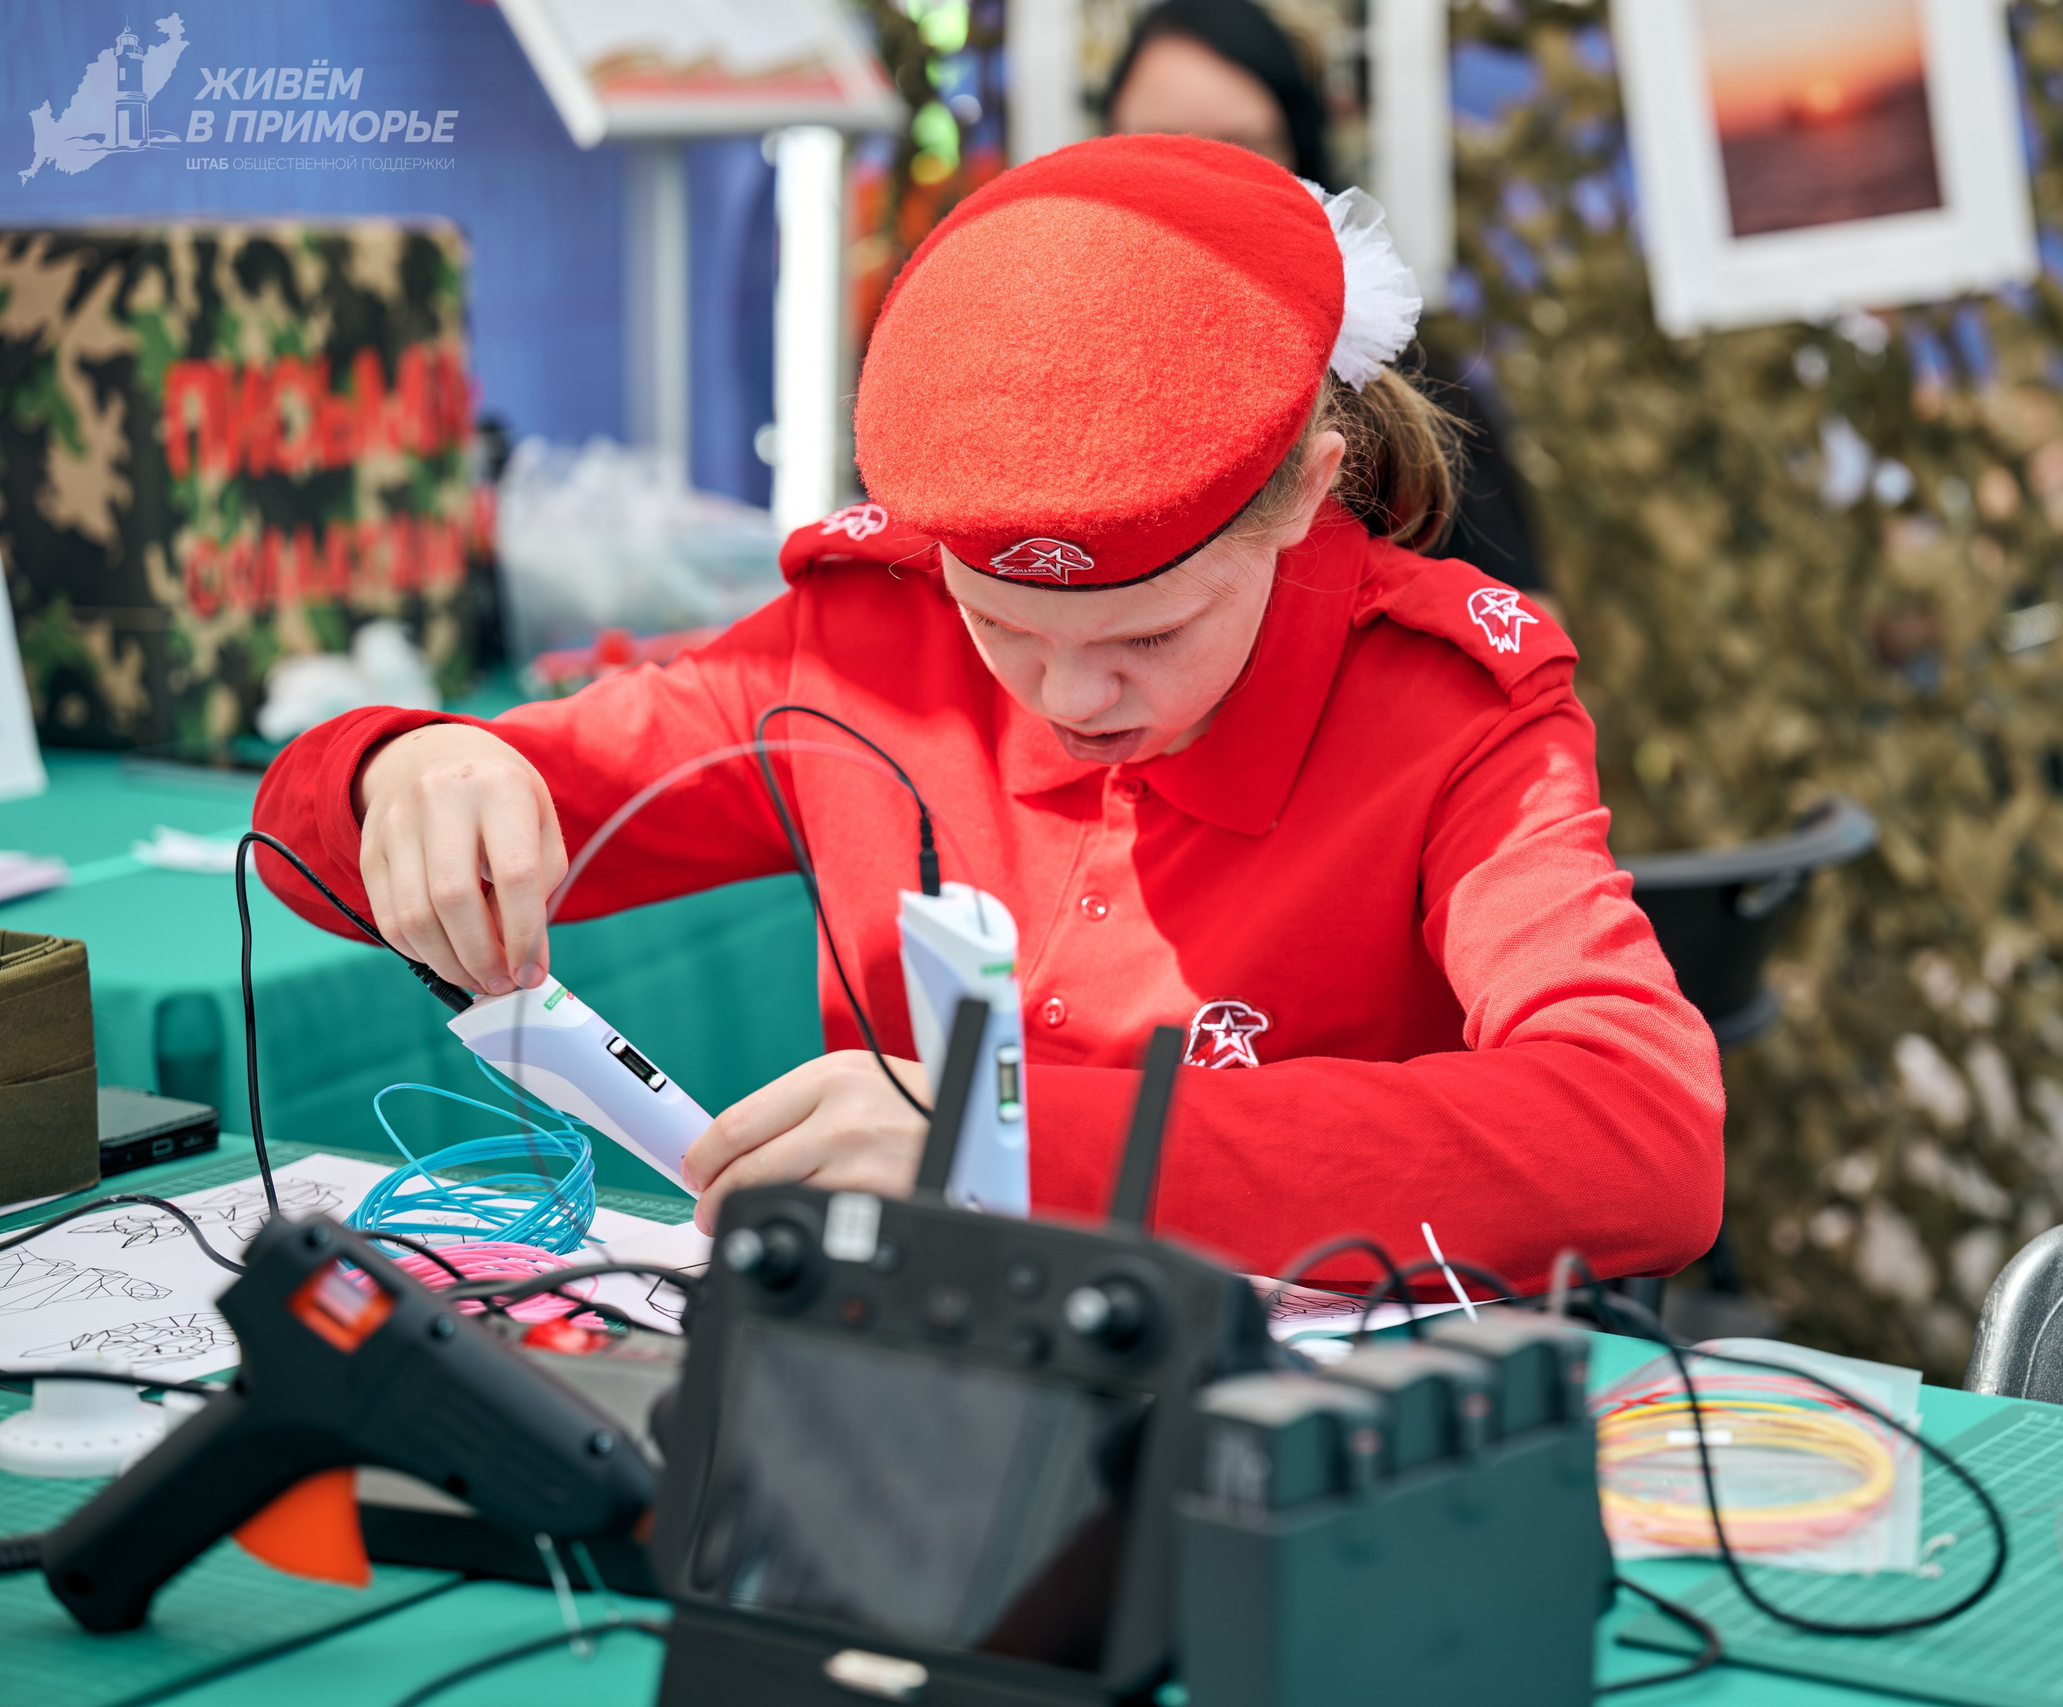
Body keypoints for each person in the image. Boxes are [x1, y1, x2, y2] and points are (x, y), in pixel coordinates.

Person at [250, 136, 1720, 1290]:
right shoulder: (865, 648)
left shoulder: (1450, 713)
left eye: (1150, 632)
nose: (1072, 698)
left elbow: (1641, 1139)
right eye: (1002, 626)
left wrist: (1008, 1146)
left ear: (1305, 496)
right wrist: (404, 773)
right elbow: (318, 848)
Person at [1106, 0, 1552, 595]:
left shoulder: (1399, 387)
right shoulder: (1054, 370)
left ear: (1299, 152)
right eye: (1160, 149)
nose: (1198, 188)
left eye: (1238, 148)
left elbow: (1520, 628)